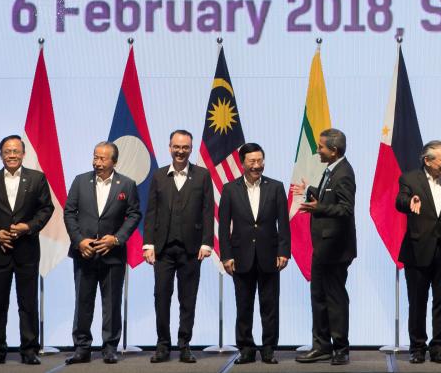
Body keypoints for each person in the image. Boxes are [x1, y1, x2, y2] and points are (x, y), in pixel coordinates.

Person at [0, 135, 54, 366]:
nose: (11, 155)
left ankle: (29, 350)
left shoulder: (37, 178)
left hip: (27, 250)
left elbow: (46, 209)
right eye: (7, 151)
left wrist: (28, 227)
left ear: (23, 154)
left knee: (28, 303)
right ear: (0, 155)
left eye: (16, 151)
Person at [63, 141, 141, 365]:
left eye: (102, 158)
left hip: (113, 255)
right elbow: (69, 212)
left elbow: (134, 214)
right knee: (83, 302)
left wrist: (116, 239)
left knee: (112, 303)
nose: (97, 162)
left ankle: (109, 348)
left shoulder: (126, 184)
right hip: (84, 253)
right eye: (95, 157)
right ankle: (82, 348)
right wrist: (79, 241)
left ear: (114, 161)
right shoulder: (80, 181)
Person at [142, 130, 214, 364]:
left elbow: (207, 212)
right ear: (169, 147)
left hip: (192, 249)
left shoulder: (202, 176)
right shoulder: (159, 176)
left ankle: (184, 345)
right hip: (162, 250)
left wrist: (207, 243)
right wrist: (148, 244)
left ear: (191, 149)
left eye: (185, 147)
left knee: (188, 298)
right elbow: (151, 212)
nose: (180, 151)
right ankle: (163, 346)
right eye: (176, 147)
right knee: (161, 297)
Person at [218, 143, 290, 365]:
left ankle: (269, 349)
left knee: (270, 306)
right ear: (242, 163)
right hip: (240, 257)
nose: (257, 166)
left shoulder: (276, 187)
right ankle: (246, 348)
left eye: (260, 161)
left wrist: (284, 251)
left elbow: (283, 224)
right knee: (244, 305)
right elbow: (223, 227)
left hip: (270, 256)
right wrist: (226, 256)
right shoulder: (230, 189)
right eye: (252, 161)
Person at [292, 128, 357, 366]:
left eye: (320, 147)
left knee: (335, 299)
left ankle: (341, 348)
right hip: (322, 248)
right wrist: (311, 191)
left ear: (334, 150)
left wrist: (317, 208)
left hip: (336, 250)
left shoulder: (344, 173)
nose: (317, 150)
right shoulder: (332, 170)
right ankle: (321, 346)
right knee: (318, 296)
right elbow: (328, 199)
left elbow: (345, 208)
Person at [394, 140, 441, 364]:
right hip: (417, 251)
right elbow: (400, 200)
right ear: (427, 160)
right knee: (417, 301)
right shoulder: (410, 178)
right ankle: (417, 347)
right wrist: (409, 201)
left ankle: (439, 347)